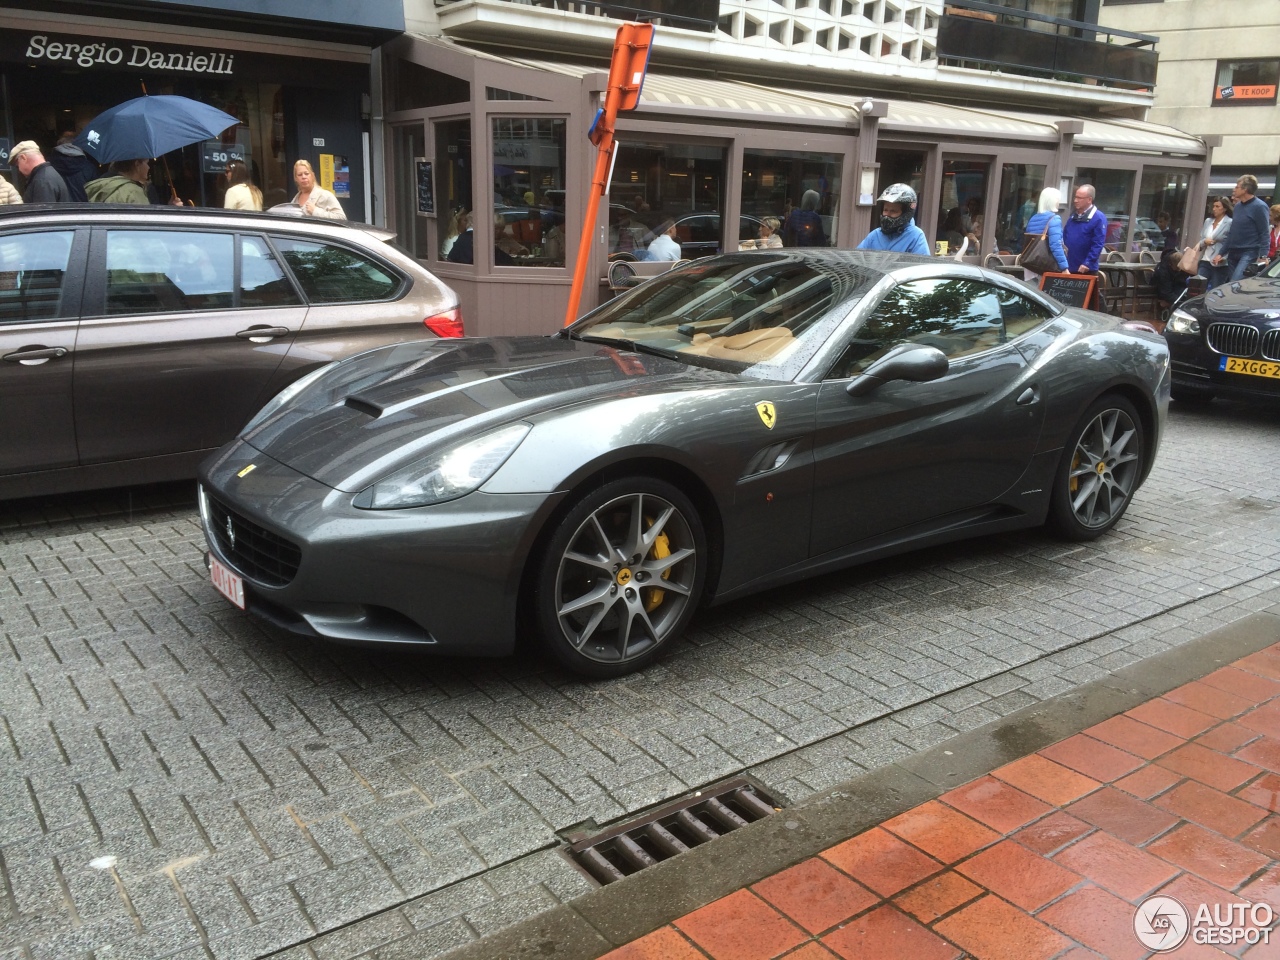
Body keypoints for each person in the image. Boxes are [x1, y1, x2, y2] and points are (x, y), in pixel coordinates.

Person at [856, 183, 930, 255]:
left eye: (893, 211)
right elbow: (857, 257)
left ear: (905, 213)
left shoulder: (915, 236)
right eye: (885, 210)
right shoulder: (875, 235)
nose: (887, 215)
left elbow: (922, 265)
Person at [1221, 175, 1269, 282]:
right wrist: (1221, 252)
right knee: (1232, 285)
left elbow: (1264, 232)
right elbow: (1232, 231)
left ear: (1245, 189)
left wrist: (1263, 255)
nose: (1234, 189)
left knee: (1235, 282)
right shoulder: (1238, 206)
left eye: (1237, 187)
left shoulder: (1260, 206)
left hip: (1249, 251)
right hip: (1233, 251)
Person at [1022, 187, 1069, 278]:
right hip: (1046, 266)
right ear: (1053, 201)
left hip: (1031, 264)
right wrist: (1064, 268)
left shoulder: (1033, 218)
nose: (1059, 202)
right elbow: (1055, 245)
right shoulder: (1055, 219)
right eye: (1057, 200)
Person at [1063, 184, 1106, 275]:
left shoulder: (1099, 217)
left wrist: (1088, 263)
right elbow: (1065, 237)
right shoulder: (1072, 217)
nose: (1075, 200)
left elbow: (1098, 243)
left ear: (1089, 200)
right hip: (1069, 267)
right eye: (1075, 197)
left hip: (1085, 269)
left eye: (1079, 198)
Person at [48, 131, 99, 203]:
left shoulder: (48, 167)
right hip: (83, 210)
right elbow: (95, 193)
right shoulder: (89, 167)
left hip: (57, 211)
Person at [1196, 197, 1232, 289]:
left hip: (1219, 263)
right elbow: (1202, 238)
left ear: (1225, 208)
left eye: (1217, 206)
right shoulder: (1208, 221)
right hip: (1205, 260)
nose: (1214, 209)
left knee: (1216, 289)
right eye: (1213, 206)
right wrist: (1204, 241)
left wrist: (1224, 257)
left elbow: (1231, 242)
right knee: (1198, 287)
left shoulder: (1229, 222)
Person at [85, 159, 153, 204]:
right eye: (147, 163)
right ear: (137, 164)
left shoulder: (99, 186)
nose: (148, 167)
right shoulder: (134, 192)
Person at [1153, 244, 1189, 314]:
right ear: (1171, 264)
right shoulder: (1163, 272)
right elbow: (1165, 291)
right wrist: (1179, 302)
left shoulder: (1178, 269)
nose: (1179, 269)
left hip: (1175, 287)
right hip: (1164, 290)